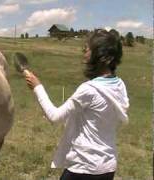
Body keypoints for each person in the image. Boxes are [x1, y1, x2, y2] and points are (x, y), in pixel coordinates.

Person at [25, 29, 129, 180]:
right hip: (108, 167)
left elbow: (54, 116)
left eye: (87, 50)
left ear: (103, 57)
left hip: (84, 167)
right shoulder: (119, 85)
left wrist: (37, 87)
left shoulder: (89, 90)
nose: (84, 53)